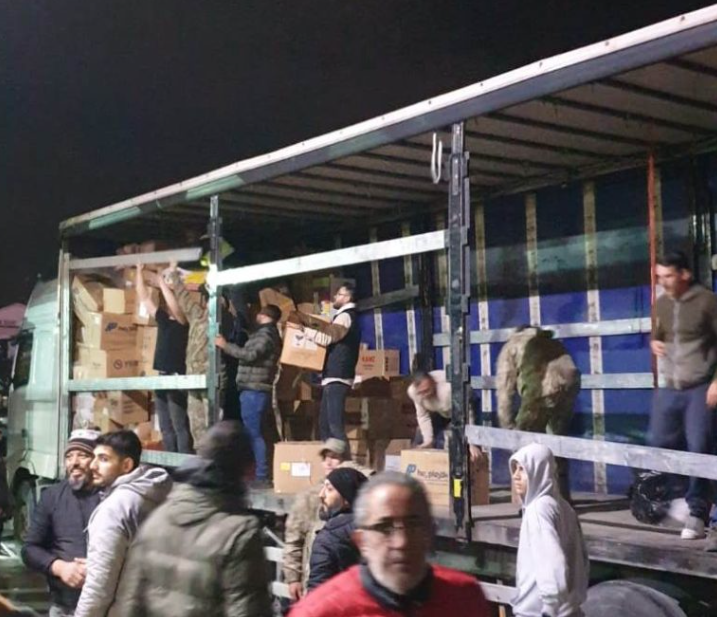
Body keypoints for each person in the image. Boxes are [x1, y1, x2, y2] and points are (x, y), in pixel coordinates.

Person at [115, 421, 272, 617]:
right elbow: (246, 610)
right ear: (247, 469)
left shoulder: (158, 517)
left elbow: (130, 602)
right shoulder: (240, 533)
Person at [290, 471, 490, 616]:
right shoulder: (321, 611)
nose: (401, 542)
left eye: (413, 525)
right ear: (361, 541)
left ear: (430, 532)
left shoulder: (464, 598)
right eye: (384, 528)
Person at [650, 250, 717, 542]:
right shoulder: (662, 304)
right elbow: (659, 334)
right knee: (658, 441)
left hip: (700, 386)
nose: (663, 282)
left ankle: (698, 513)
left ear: (684, 274)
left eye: (668, 276)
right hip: (670, 387)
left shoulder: (707, 302)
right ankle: (678, 498)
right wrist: (655, 343)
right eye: (659, 277)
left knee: (699, 447)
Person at [74, 431, 172, 617]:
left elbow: (99, 586)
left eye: (103, 459)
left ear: (126, 465)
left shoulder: (114, 508)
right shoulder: (155, 492)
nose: (93, 465)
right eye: (94, 457)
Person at [21, 430, 101, 617]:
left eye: (83, 456)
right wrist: (59, 567)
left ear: (97, 460)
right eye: (69, 456)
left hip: (106, 605)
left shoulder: (112, 496)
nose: (74, 462)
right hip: (65, 605)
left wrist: (99, 566)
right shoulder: (53, 496)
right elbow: (30, 549)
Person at [495, 326, 580, 501]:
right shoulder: (549, 340)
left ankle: (532, 501)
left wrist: (507, 426)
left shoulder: (512, 346)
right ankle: (563, 499)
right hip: (569, 386)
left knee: (528, 448)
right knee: (558, 443)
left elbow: (504, 388)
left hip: (542, 389)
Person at [283, 439, 374, 602]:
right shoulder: (309, 497)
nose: (329, 462)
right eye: (325, 458)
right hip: (316, 583)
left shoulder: (358, 492)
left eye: (335, 457)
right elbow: (294, 539)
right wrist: (293, 577)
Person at [510, 443, 588, 617]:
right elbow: (582, 558)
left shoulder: (537, 511)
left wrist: (550, 606)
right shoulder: (564, 506)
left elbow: (551, 559)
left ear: (539, 471)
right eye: (515, 468)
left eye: (522, 469)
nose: (515, 476)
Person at [215, 304, 282, 485]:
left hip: (255, 390)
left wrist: (225, 345)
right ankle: (262, 473)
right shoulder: (265, 334)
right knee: (257, 433)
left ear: (264, 315)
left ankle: (262, 476)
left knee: (255, 434)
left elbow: (250, 355)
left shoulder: (266, 335)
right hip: (253, 389)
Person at [136, 263, 191, 453]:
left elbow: (175, 306)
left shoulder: (184, 322)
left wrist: (161, 280)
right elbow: (144, 298)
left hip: (176, 377)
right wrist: (139, 271)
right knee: (165, 427)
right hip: (161, 376)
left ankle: (183, 461)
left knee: (179, 425)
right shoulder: (163, 319)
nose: (168, 306)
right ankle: (170, 463)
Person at [295, 282, 360, 442]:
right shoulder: (342, 316)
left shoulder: (345, 317)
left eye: (339, 294)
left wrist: (304, 331)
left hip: (338, 374)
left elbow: (326, 338)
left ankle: (343, 456)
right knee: (325, 425)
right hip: (334, 375)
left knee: (334, 426)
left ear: (347, 297)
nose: (335, 297)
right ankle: (331, 455)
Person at [167, 266, 211, 447]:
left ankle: (214, 457)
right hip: (193, 378)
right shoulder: (198, 316)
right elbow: (183, 298)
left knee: (211, 424)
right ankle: (202, 456)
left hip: (209, 380)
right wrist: (174, 275)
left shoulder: (220, 321)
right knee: (196, 425)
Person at [306, 467, 367, 592]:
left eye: (329, 489)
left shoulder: (329, 537)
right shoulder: (377, 529)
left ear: (346, 498)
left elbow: (318, 590)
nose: (321, 495)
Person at [407, 370, 481, 461]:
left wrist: (471, 443)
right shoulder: (415, 393)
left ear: (434, 384)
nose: (424, 395)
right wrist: (428, 440)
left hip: (461, 407)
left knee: (457, 441)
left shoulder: (447, 390)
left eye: (426, 390)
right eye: (421, 392)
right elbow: (423, 416)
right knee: (420, 439)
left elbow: (467, 413)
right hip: (440, 411)